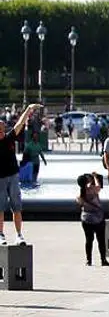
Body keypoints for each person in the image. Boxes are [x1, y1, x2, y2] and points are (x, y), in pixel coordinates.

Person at [0, 104, 41, 245]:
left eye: (2, 128)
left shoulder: (9, 138)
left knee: (16, 207)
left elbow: (20, 123)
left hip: (13, 176)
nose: (1, 130)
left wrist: (28, 109)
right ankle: (1, 235)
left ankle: (18, 235)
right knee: (0, 207)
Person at [76, 173, 109, 266]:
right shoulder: (93, 189)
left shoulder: (79, 195)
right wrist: (95, 177)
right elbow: (99, 186)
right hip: (98, 218)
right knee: (101, 240)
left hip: (86, 219)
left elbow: (80, 203)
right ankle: (103, 260)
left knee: (89, 240)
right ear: (87, 181)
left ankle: (88, 260)